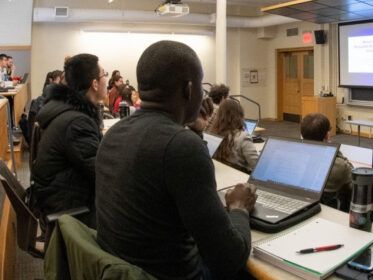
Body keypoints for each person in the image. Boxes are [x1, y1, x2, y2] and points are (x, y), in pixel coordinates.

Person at [95, 40, 256, 279]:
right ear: (189, 90)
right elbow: (228, 257)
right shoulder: (181, 146)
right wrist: (239, 208)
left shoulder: (114, 133)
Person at [29, 54, 106, 228]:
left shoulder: (67, 110)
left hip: (58, 194)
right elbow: (101, 171)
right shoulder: (77, 123)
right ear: (94, 84)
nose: (106, 80)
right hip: (68, 207)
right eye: (104, 75)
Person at [300, 113, 353, 212]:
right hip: (326, 213)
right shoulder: (339, 165)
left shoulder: (293, 156)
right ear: (327, 135)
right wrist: (332, 149)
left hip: (301, 208)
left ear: (302, 134)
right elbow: (354, 181)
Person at [211, 99, 259, 172]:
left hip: (226, 172)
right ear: (239, 115)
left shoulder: (214, 133)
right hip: (242, 176)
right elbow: (256, 165)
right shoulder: (243, 137)